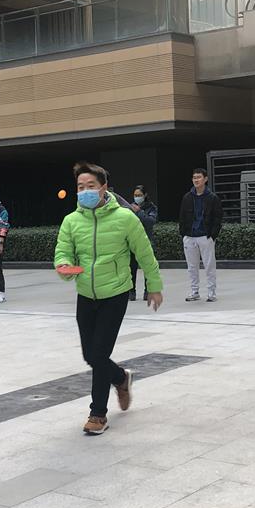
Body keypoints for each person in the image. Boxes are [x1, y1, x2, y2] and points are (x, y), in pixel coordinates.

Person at [54, 162, 163, 435]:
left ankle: (97, 414)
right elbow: (63, 250)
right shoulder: (71, 221)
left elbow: (145, 253)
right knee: (90, 355)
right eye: (80, 187)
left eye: (90, 186)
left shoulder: (125, 218)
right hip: (85, 294)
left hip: (115, 293)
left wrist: (154, 286)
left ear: (104, 188)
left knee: (99, 354)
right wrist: (64, 265)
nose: (85, 191)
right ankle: (121, 378)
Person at [179, 168, 222, 302]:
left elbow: (217, 218)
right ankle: (194, 291)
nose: (196, 180)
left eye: (199, 177)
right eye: (194, 177)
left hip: (205, 236)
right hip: (190, 236)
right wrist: (184, 234)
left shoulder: (212, 198)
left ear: (205, 179)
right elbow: (182, 216)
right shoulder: (187, 197)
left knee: (209, 266)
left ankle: (211, 293)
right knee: (192, 267)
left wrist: (212, 235)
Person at [128, 184, 158, 301]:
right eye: (135, 195)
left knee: (148, 267)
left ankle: (148, 291)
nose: (137, 197)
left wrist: (140, 211)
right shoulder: (130, 207)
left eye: (139, 195)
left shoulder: (151, 207)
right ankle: (131, 291)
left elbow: (150, 221)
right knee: (131, 267)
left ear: (145, 195)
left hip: (146, 240)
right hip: (132, 241)